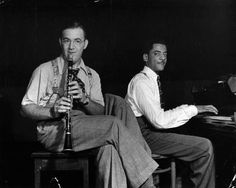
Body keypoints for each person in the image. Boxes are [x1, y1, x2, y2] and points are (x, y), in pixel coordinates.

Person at [21, 19, 158, 188]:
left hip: (86, 130)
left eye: (77, 41)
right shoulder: (45, 70)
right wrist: (53, 110)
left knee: (110, 152)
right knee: (113, 125)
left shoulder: (92, 75)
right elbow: (25, 108)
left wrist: (85, 99)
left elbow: (99, 112)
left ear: (85, 44)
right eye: (67, 40)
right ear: (60, 42)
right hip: (54, 131)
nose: (71, 47)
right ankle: (148, 185)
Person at [125, 38, 219, 188]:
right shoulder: (141, 82)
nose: (163, 58)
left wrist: (191, 110)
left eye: (165, 54)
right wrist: (194, 109)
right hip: (142, 138)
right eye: (157, 54)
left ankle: (184, 181)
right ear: (145, 57)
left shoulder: (151, 80)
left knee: (190, 135)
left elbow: (159, 115)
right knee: (204, 147)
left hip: (148, 133)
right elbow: (159, 120)